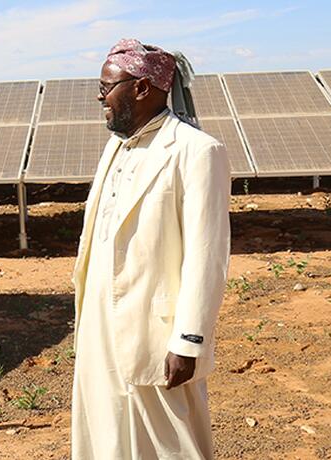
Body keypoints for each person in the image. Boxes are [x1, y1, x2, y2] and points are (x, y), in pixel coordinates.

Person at [70, 38, 231, 459]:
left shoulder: (197, 152)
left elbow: (207, 255)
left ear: (142, 88)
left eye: (107, 87)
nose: (99, 96)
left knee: (169, 444)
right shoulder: (115, 147)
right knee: (106, 435)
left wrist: (188, 341)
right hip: (99, 326)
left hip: (155, 332)